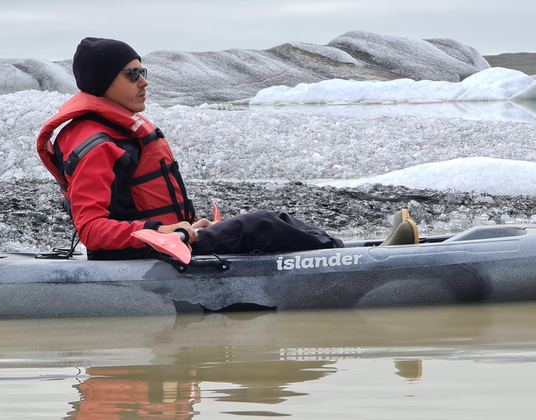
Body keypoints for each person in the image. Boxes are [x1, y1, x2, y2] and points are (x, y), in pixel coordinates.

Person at [37, 37, 349, 260]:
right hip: (139, 252)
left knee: (277, 218)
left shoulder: (113, 130)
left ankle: (342, 251)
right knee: (261, 226)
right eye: (132, 74)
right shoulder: (98, 144)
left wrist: (183, 228)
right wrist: (162, 231)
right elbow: (91, 229)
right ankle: (343, 262)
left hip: (168, 240)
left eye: (143, 72)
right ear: (102, 81)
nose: (143, 82)